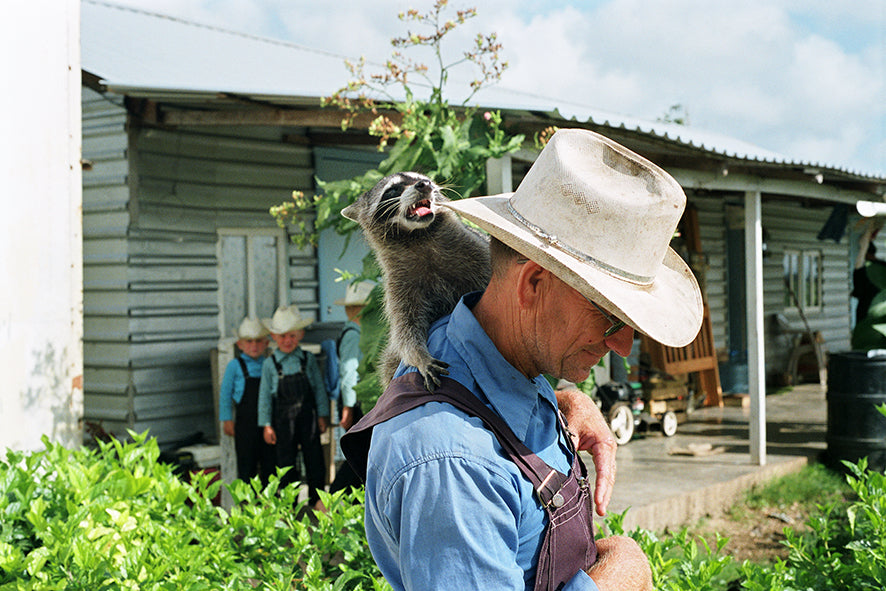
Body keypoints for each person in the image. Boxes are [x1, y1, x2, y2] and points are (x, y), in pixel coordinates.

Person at [343, 129, 703, 590]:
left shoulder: (493, 348)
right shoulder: (453, 463)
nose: (623, 346)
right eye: (609, 315)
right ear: (532, 284)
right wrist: (622, 575)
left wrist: (559, 399)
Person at [258, 305, 330, 508]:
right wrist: (266, 425)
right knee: (286, 462)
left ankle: (317, 501)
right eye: (282, 336)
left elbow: (318, 389)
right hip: (282, 420)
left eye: (292, 336)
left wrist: (322, 414)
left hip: (308, 417)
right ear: (273, 336)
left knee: (314, 458)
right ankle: (289, 504)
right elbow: (264, 396)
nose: (287, 340)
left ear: (300, 335)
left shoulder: (307, 359)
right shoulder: (270, 364)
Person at [328, 280, 374, 496]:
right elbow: (349, 372)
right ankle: (332, 497)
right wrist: (348, 406)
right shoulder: (353, 335)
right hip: (355, 401)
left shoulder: (359, 333)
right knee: (359, 452)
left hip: (356, 399)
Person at [219, 317, 275, 486]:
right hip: (245, 424)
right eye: (249, 341)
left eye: (258, 341)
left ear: (266, 343)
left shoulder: (269, 364)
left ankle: (269, 499)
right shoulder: (235, 366)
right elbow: (225, 394)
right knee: (246, 464)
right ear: (240, 344)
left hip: (267, 423)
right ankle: (246, 500)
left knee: (270, 464)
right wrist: (226, 419)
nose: (254, 346)